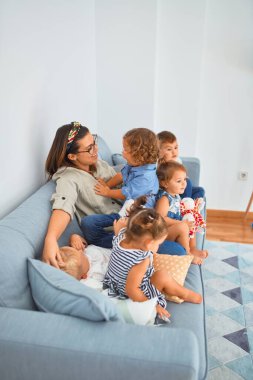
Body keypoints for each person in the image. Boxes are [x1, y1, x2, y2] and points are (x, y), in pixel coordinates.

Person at [103, 200, 202, 320]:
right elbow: (132, 290)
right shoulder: (141, 260)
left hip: (114, 283)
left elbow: (122, 230)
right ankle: (185, 294)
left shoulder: (121, 236)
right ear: (149, 243)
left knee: (157, 274)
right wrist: (152, 306)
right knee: (162, 276)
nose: (159, 247)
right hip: (130, 294)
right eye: (159, 244)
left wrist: (119, 228)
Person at [42, 121, 122, 268]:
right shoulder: (68, 178)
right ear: (72, 156)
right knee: (174, 249)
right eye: (89, 148)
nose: (96, 150)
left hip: (134, 216)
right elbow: (63, 206)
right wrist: (51, 239)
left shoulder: (98, 164)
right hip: (116, 234)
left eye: (94, 142)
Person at [81, 128, 160, 248]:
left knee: (130, 229)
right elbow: (121, 175)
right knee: (89, 223)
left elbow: (125, 193)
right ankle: (119, 241)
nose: (122, 152)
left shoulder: (145, 177)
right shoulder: (134, 164)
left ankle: (126, 243)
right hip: (128, 207)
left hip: (139, 214)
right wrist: (107, 185)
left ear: (139, 156)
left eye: (125, 150)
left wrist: (107, 192)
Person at [156, 161, 208, 261]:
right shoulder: (165, 199)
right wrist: (181, 223)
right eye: (179, 181)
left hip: (174, 229)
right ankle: (188, 255)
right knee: (183, 226)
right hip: (163, 234)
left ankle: (192, 248)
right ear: (165, 183)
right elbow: (160, 219)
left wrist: (192, 211)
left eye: (184, 179)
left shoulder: (177, 196)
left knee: (190, 219)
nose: (184, 183)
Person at [157, 131, 205, 199]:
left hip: (179, 189)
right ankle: (184, 204)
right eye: (169, 149)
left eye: (176, 147)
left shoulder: (177, 161)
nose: (174, 152)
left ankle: (190, 205)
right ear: (159, 151)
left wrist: (183, 179)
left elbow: (181, 175)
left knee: (200, 190)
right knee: (188, 182)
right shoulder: (159, 164)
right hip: (169, 190)